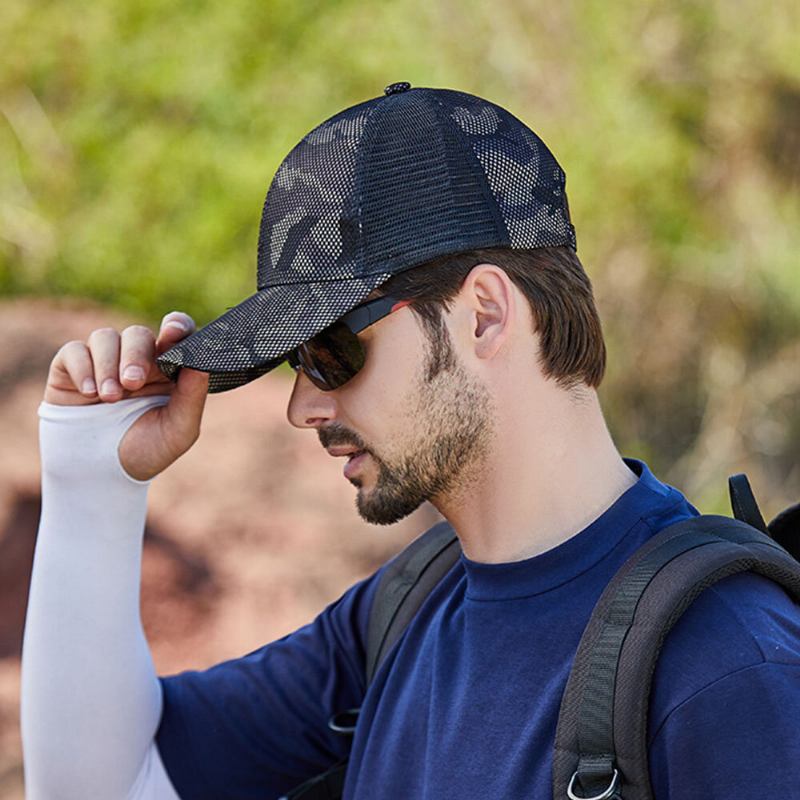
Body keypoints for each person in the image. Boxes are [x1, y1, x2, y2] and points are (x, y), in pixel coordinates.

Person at [21, 84, 800, 799]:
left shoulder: (727, 668)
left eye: (329, 350)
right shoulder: (403, 612)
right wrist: (92, 474)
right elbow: (107, 783)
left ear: (484, 315)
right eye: (297, 361)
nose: (302, 405)